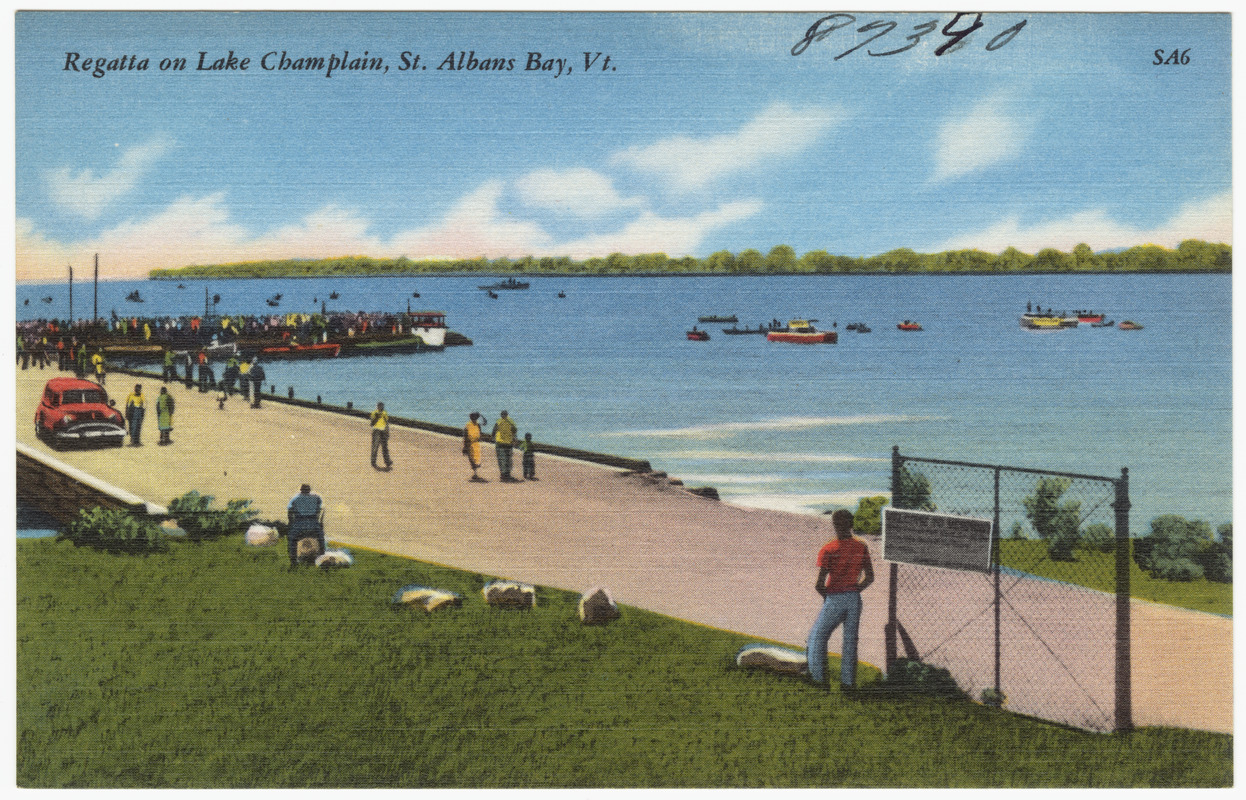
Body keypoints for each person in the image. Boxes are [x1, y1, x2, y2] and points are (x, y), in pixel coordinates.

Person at [806, 509, 874, 690]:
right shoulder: (861, 546)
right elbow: (869, 577)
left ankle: (819, 680)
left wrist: (828, 598)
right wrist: (854, 589)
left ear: (835, 525)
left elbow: (819, 584)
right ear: (851, 525)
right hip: (854, 598)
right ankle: (847, 683)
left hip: (835, 597)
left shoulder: (829, 549)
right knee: (850, 641)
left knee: (817, 638)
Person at [287, 484, 325, 567]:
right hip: (313, 523)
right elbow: (321, 511)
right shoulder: (317, 497)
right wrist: (320, 523)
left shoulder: (295, 498)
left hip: (298, 523)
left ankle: (293, 561)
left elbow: (290, 512)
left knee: (292, 539)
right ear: (309, 490)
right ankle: (322, 559)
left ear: (301, 490)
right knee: (321, 539)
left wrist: (290, 524)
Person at [492, 410, 518, 481]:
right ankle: (506, 475)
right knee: (507, 459)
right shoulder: (510, 421)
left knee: (502, 459)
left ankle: (503, 475)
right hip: (507, 443)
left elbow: (494, 430)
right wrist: (515, 439)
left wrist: (493, 437)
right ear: (507, 415)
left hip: (500, 443)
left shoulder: (499, 421)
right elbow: (514, 431)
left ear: (501, 415)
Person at [463, 412, 486, 482]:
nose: (474, 419)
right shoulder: (468, 425)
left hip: (476, 444)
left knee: (476, 459)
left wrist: (481, 415)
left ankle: (475, 473)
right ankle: (475, 473)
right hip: (470, 444)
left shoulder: (477, 424)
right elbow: (465, 436)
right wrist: (465, 446)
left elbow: (485, 423)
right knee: (472, 459)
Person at [370, 401, 393, 470]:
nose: (380, 407)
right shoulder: (374, 413)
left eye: (381, 406)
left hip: (383, 431)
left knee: (385, 447)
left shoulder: (384, 413)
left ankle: (387, 461)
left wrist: (387, 431)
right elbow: (371, 424)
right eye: (379, 406)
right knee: (375, 447)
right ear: (377, 407)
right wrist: (376, 417)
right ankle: (373, 462)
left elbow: (386, 423)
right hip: (376, 431)